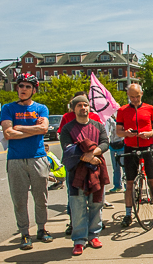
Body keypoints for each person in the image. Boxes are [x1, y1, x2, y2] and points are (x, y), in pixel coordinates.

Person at [1, 73, 53, 250]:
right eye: (21, 86)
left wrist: (20, 127)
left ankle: (42, 228)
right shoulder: (8, 108)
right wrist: (34, 129)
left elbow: (44, 128)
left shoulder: (41, 108)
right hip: (15, 159)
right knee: (19, 199)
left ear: (34, 90)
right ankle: (24, 233)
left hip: (37, 157)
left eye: (27, 87)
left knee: (41, 197)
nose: (23, 89)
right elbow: (8, 133)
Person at [60, 96, 109, 256]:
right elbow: (67, 149)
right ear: (73, 109)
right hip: (76, 173)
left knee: (96, 204)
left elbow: (104, 143)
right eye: (79, 105)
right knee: (78, 206)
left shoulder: (98, 126)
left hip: (96, 170)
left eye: (86, 105)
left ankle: (94, 235)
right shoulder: (67, 128)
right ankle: (79, 240)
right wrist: (86, 156)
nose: (83, 108)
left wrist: (92, 154)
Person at [116, 84, 153, 227]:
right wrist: (126, 133)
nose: (135, 99)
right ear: (128, 96)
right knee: (129, 183)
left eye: (137, 96)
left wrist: (149, 133)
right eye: (132, 97)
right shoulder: (122, 110)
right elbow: (118, 131)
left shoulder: (150, 109)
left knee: (152, 181)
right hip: (130, 148)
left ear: (142, 94)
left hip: (147, 147)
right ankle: (127, 214)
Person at [106, 114, 125, 193]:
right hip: (112, 145)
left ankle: (127, 186)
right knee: (115, 167)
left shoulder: (122, 119)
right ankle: (117, 185)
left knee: (124, 166)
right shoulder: (108, 119)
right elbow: (108, 131)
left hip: (122, 145)